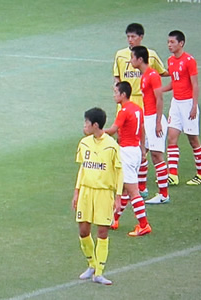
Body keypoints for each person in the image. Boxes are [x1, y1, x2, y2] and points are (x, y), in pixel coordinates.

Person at [113, 23, 168, 198]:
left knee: (153, 152)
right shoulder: (123, 57)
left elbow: (160, 91)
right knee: (138, 145)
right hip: (131, 104)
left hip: (148, 110)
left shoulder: (150, 70)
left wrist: (158, 121)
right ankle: (139, 186)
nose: (130, 40)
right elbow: (117, 78)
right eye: (128, 36)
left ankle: (161, 192)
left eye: (133, 36)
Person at [72, 107, 122, 285]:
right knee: (83, 230)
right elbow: (82, 169)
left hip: (103, 193)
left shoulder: (112, 146)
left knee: (102, 231)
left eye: (86, 122)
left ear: (95, 125)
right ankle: (92, 264)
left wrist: (118, 196)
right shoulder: (84, 143)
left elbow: (119, 172)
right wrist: (77, 192)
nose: (84, 126)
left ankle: (99, 272)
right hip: (86, 192)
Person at [105, 82, 151, 236]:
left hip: (127, 152)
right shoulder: (137, 108)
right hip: (136, 151)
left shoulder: (123, 111)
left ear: (123, 94)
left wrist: (96, 131)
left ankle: (144, 225)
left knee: (133, 192)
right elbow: (142, 129)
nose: (114, 95)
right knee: (124, 188)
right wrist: (143, 149)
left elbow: (112, 130)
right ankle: (114, 219)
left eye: (116, 92)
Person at [163, 30, 201, 186]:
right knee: (171, 137)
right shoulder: (170, 60)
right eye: (168, 42)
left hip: (188, 104)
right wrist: (160, 90)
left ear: (181, 43)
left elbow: (195, 84)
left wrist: (194, 106)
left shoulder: (189, 60)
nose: (169, 45)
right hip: (176, 103)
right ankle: (172, 175)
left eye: (172, 42)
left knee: (193, 140)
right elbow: (175, 82)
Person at [130, 46, 170, 205]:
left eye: (133, 57)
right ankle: (141, 188)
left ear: (140, 59)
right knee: (143, 152)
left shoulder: (152, 75)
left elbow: (159, 99)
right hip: (149, 118)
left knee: (157, 156)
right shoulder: (144, 76)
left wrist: (158, 122)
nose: (131, 60)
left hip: (154, 119)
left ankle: (164, 194)